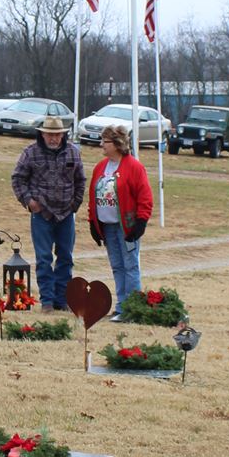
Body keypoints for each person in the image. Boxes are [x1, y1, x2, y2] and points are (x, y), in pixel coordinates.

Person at [10, 114, 85, 310]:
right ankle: (47, 301)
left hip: (66, 214)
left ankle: (62, 299)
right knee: (44, 258)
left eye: (57, 134)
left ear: (63, 135)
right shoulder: (30, 153)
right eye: (49, 135)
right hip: (41, 215)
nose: (53, 138)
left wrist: (75, 204)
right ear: (42, 135)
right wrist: (28, 201)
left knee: (66, 258)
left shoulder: (73, 153)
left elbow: (80, 180)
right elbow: (18, 179)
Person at [88, 122, 153, 318]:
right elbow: (92, 195)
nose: (102, 145)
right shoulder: (100, 167)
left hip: (126, 226)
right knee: (117, 266)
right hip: (107, 226)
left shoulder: (134, 167)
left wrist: (141, 222)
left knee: (130, 265)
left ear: (116, 144)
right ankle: (122, 305)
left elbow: (145, 197)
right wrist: (93, 222)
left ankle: (132, 308)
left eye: (105, 141)